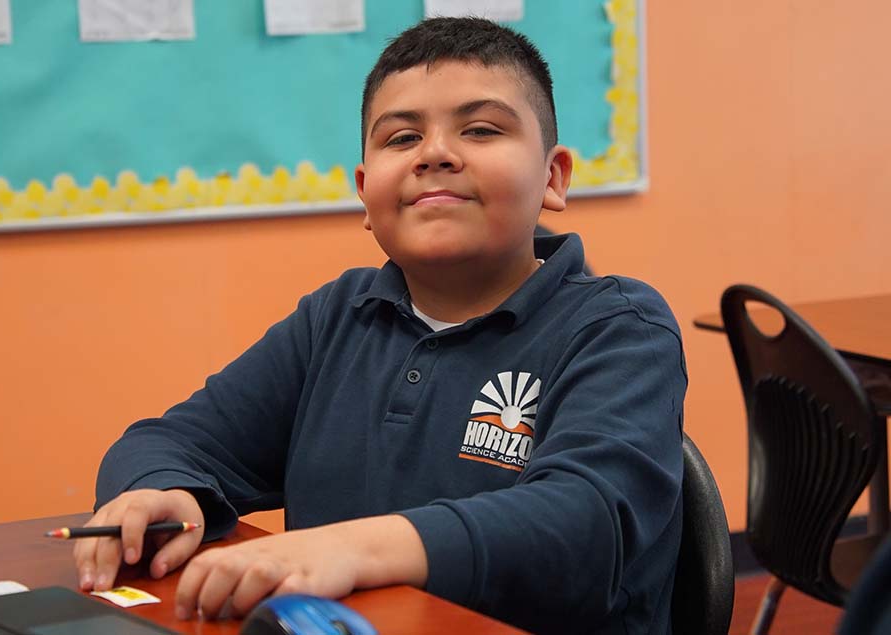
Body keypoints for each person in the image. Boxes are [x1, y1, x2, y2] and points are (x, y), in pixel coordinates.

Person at [75, 16, 687, 635]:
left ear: (552, 178)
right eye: (400, 138)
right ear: (367, 193)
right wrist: (163, 490)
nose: (435, 154)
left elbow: (583, 524)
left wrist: (350, 550)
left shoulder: (619, 327)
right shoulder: (336, 318)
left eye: (480, 129)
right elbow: (166, 441)